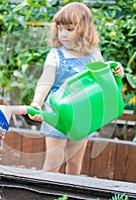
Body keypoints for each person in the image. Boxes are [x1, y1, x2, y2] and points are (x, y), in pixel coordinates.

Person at [29, 2, 124, 175]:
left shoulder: (93, 54)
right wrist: (37, 102)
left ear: (84, 30)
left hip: (82, 114)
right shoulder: (56, 55)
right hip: (57, 113)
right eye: (60, 28)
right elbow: (46, 80)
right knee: (53, 161)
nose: (63, 34)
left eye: (69, 29)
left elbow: (104, 80)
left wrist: (116, 71)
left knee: (74, 163)